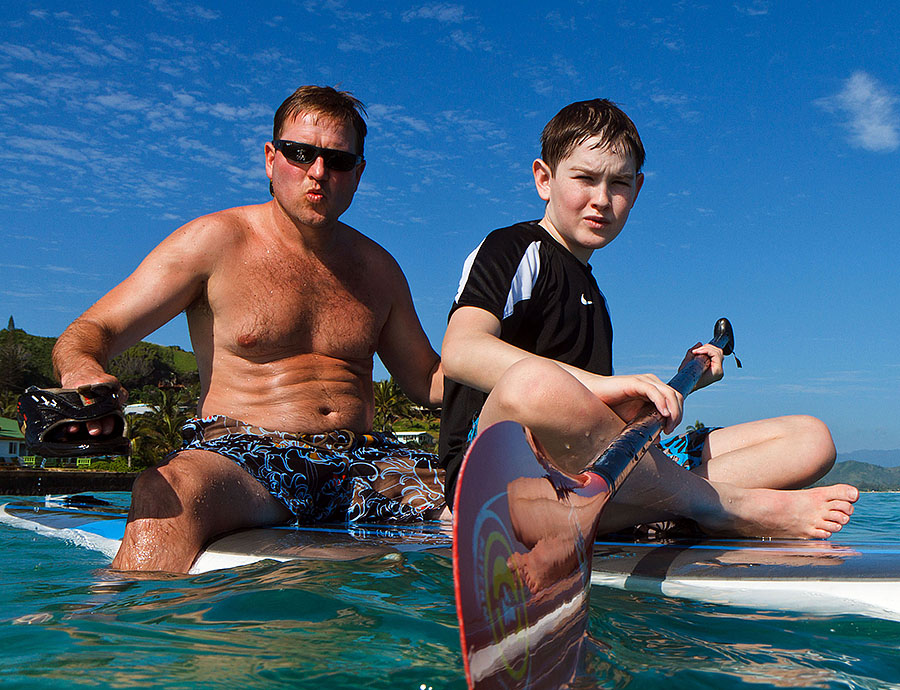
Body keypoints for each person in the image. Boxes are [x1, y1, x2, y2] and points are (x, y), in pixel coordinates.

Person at [52, 85, 446, 573]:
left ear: (358, 172)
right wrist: (81, 369)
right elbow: (95, 327)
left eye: (338, 160)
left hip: (360, 460)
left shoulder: (380, 269)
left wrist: (519, 366)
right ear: (270, 158)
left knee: (489, 503)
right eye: (301, 154)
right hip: (245, 455)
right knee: (163, 490)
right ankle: (112, 633)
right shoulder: (215, 242)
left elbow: (426, 379)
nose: (318, 172)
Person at [438, 98, 858, 539]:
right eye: (584, 178)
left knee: (811, 439)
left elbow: (587, 423)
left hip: (576, 478)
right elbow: (462, 351)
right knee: (533, 384)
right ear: (544, 179)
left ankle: (657, 508)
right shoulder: (513, 248)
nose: (601, 199)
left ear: (636, 190)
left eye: (619, 184)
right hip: (492, 474)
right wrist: (603, 386)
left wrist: (667, 390)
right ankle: (727, 506)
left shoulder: (593, 294)